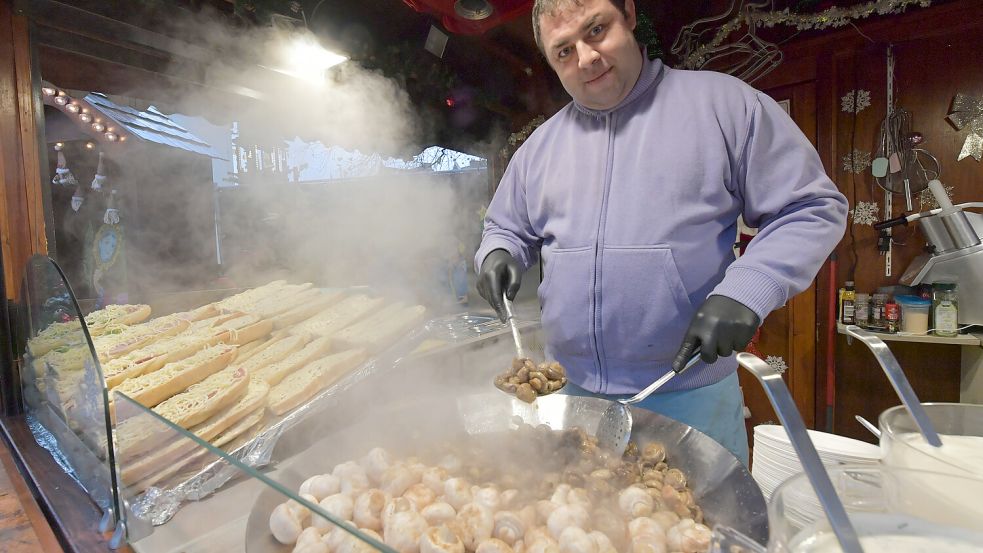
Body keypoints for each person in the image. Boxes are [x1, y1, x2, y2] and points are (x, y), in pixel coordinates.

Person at [474, 0, 847, 465]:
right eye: (563, 51)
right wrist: (498, 251)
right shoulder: (538, 149)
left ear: (628, 15)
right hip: (573, 397)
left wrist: (747, 290)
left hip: (686, 396)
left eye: (596, 30)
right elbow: (507, 226)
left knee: (700, 533)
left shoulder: (724, 105)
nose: (586, 57)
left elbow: (810, 207)